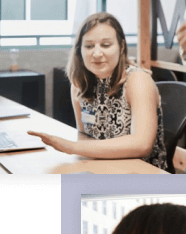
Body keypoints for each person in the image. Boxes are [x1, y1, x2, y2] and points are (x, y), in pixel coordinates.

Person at [27, 12, 167, 170]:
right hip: (103, 167)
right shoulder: (80, 85)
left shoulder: (137, 81)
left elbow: (142, 144)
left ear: (121, 47)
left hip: (142, 175)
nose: (97, 53)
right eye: (89, 46)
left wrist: (70, 147)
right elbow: (85, 137)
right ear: (80, 51)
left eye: (106, 45)